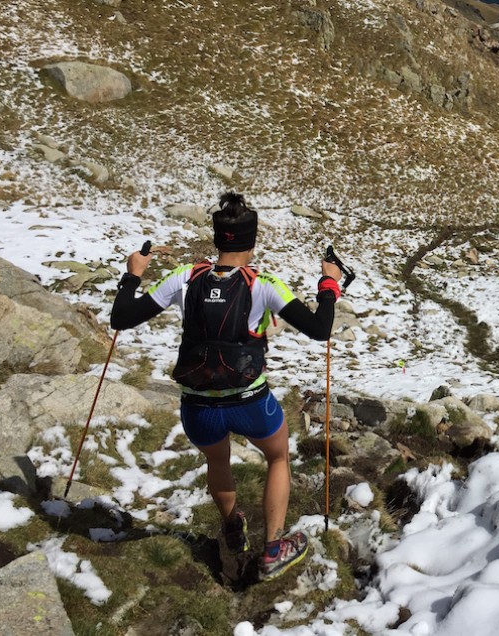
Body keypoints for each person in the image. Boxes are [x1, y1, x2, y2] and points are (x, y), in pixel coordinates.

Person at [110, 192, 343, 582]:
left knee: (217, 460)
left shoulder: (185, 277)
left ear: (218, 239)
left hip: (198, 406)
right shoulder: (264, 284)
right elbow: (321, 330)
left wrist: (133, 273)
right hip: (250, 401)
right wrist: (329, 284)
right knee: (278, 458)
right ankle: (273, 548)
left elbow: (122, 317)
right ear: (251, 242)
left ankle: (232, 526)